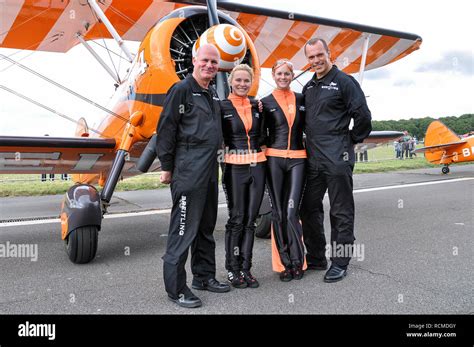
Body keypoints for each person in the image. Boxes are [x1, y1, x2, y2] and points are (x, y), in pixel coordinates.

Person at [156, 44, 230, 308]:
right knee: (184, 228)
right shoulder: (181, 90)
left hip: (209, 168)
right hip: (188, 167)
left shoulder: (211, 94)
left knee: (206, 226)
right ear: (194, 60)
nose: (210, 65)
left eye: (214, 62)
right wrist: (167, 166)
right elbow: (166, 129)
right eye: (205, 60)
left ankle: (204, 276)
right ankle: (175, 289)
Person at [300, 38, 372, 283]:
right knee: (308, 207)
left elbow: (363, 116)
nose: (316, 60)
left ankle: (340, 262)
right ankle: (317, 257)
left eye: (320, 55)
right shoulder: (309, 87)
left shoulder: (344, 82)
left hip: (338, 157)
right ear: (307, 60)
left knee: (341, 211)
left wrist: (350, 139)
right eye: (311, 57)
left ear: (329, 54)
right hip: (314, 160)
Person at [220, 64, 266, 289]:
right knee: (236, 219)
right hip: (234, 168)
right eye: (238, 80)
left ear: (251, 82)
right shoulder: (221, 107)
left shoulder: (257, 106)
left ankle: (246, 268)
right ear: (231, 81)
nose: (242, 84)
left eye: (246, 81)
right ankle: (232, 269)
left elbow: (266, 134)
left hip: (258, 166)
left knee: (250, 220)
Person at [261, 59, 306, 282]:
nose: (283, 77)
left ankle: (298, 261)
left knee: (291, 212)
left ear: (292, 75)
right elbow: (258, 133)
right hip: (274, 159)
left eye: (287, 74)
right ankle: (285, 263)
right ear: (273, 74)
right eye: (279, 74)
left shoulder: (301, 99)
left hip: (298, 159)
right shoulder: (265, 102)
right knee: (278, 213)